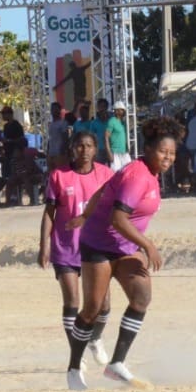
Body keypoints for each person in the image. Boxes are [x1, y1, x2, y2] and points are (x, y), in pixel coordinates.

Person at [65, 117, 184, 390]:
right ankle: (74, 369)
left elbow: (102, 191)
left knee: (141, 296)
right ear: (148, 150)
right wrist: (148, 245)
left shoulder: (150, 174)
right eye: (163, 151)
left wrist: (86, 214)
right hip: (99, 244)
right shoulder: (138, 175)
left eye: (172, 153)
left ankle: (116, 364)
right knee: (92, 310)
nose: (168, 157)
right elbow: (118, 219)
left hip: (125, 246)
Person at [38, 130, 114, 363]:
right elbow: (49, 213)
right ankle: (76, 353)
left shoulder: (106, 175)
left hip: (97, 247)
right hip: (66, 247)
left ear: (96, 149)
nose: (85, 150)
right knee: (72, 301)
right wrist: (44, 245)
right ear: (72, 148)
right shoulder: (59, 176)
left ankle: (95, 339)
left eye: (89, 146)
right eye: (80, 146)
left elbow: (116, 210)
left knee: (103, 304)